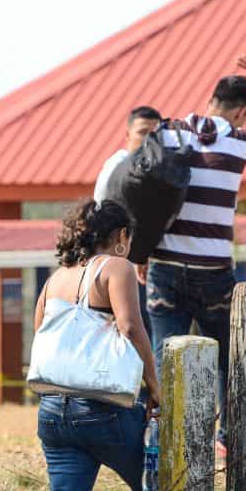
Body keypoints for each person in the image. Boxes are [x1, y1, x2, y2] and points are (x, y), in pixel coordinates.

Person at [143, 56, 246, 456]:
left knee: (166, 361)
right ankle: (228, 440)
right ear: (244, 111)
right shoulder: (243, 140)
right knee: (231, 359)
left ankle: (162, 446)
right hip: (213, 271)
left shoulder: (169, 132)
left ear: (210, 100)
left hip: (163, 267)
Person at [32, 199, 161, 491]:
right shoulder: (116, 268)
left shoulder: (57, 277)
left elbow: (41, 330)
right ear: (121, 236)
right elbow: (130, 327)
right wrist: (154, 386)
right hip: (102, 411)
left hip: (53, 411)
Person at [93, 105, 162, 337]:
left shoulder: (161, 169)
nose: (147, 141)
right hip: (117, 265)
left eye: (154, 134)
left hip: (146, 265)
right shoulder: (117, 166)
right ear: (127, 135)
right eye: (142, 132)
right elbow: (102, 215)